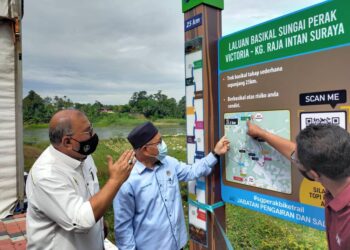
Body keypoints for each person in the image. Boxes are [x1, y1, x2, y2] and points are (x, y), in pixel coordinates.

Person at [26, 109, 135, 250]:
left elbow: (90, 194)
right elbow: (80, 221)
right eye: (88, 132)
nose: (93, 135)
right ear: (67, 142)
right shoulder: (46, 175)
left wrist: (100, 225)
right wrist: (115, 180)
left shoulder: (82, 155)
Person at [113, 121, 230, 250]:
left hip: (176, 244)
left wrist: (215, 153)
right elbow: (123, 227)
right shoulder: (127, 179)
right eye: (159, 142)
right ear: (145, 150)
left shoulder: (168, 162)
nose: (163, 145)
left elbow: (191, 171)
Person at [246, 120, 350, 250]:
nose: (294, 159)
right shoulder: (336, 176)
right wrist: (262, 133)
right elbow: (295, 153)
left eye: (298, 161)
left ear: (314, 174)